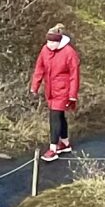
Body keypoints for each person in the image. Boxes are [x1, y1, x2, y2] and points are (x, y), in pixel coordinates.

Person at [31, 25, 81, 160]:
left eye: (53, 42)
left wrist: (72, 95)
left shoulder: (69, 52)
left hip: (63, 90)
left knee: (54, 117)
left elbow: (74, 75)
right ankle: (65, 143)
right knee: (59, 116)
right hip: (51, 90)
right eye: (48, 42)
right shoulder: (45, 50)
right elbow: (39, 68)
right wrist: (34, 86)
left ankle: (53, 148)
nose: (49, 45)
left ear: (59, 41)